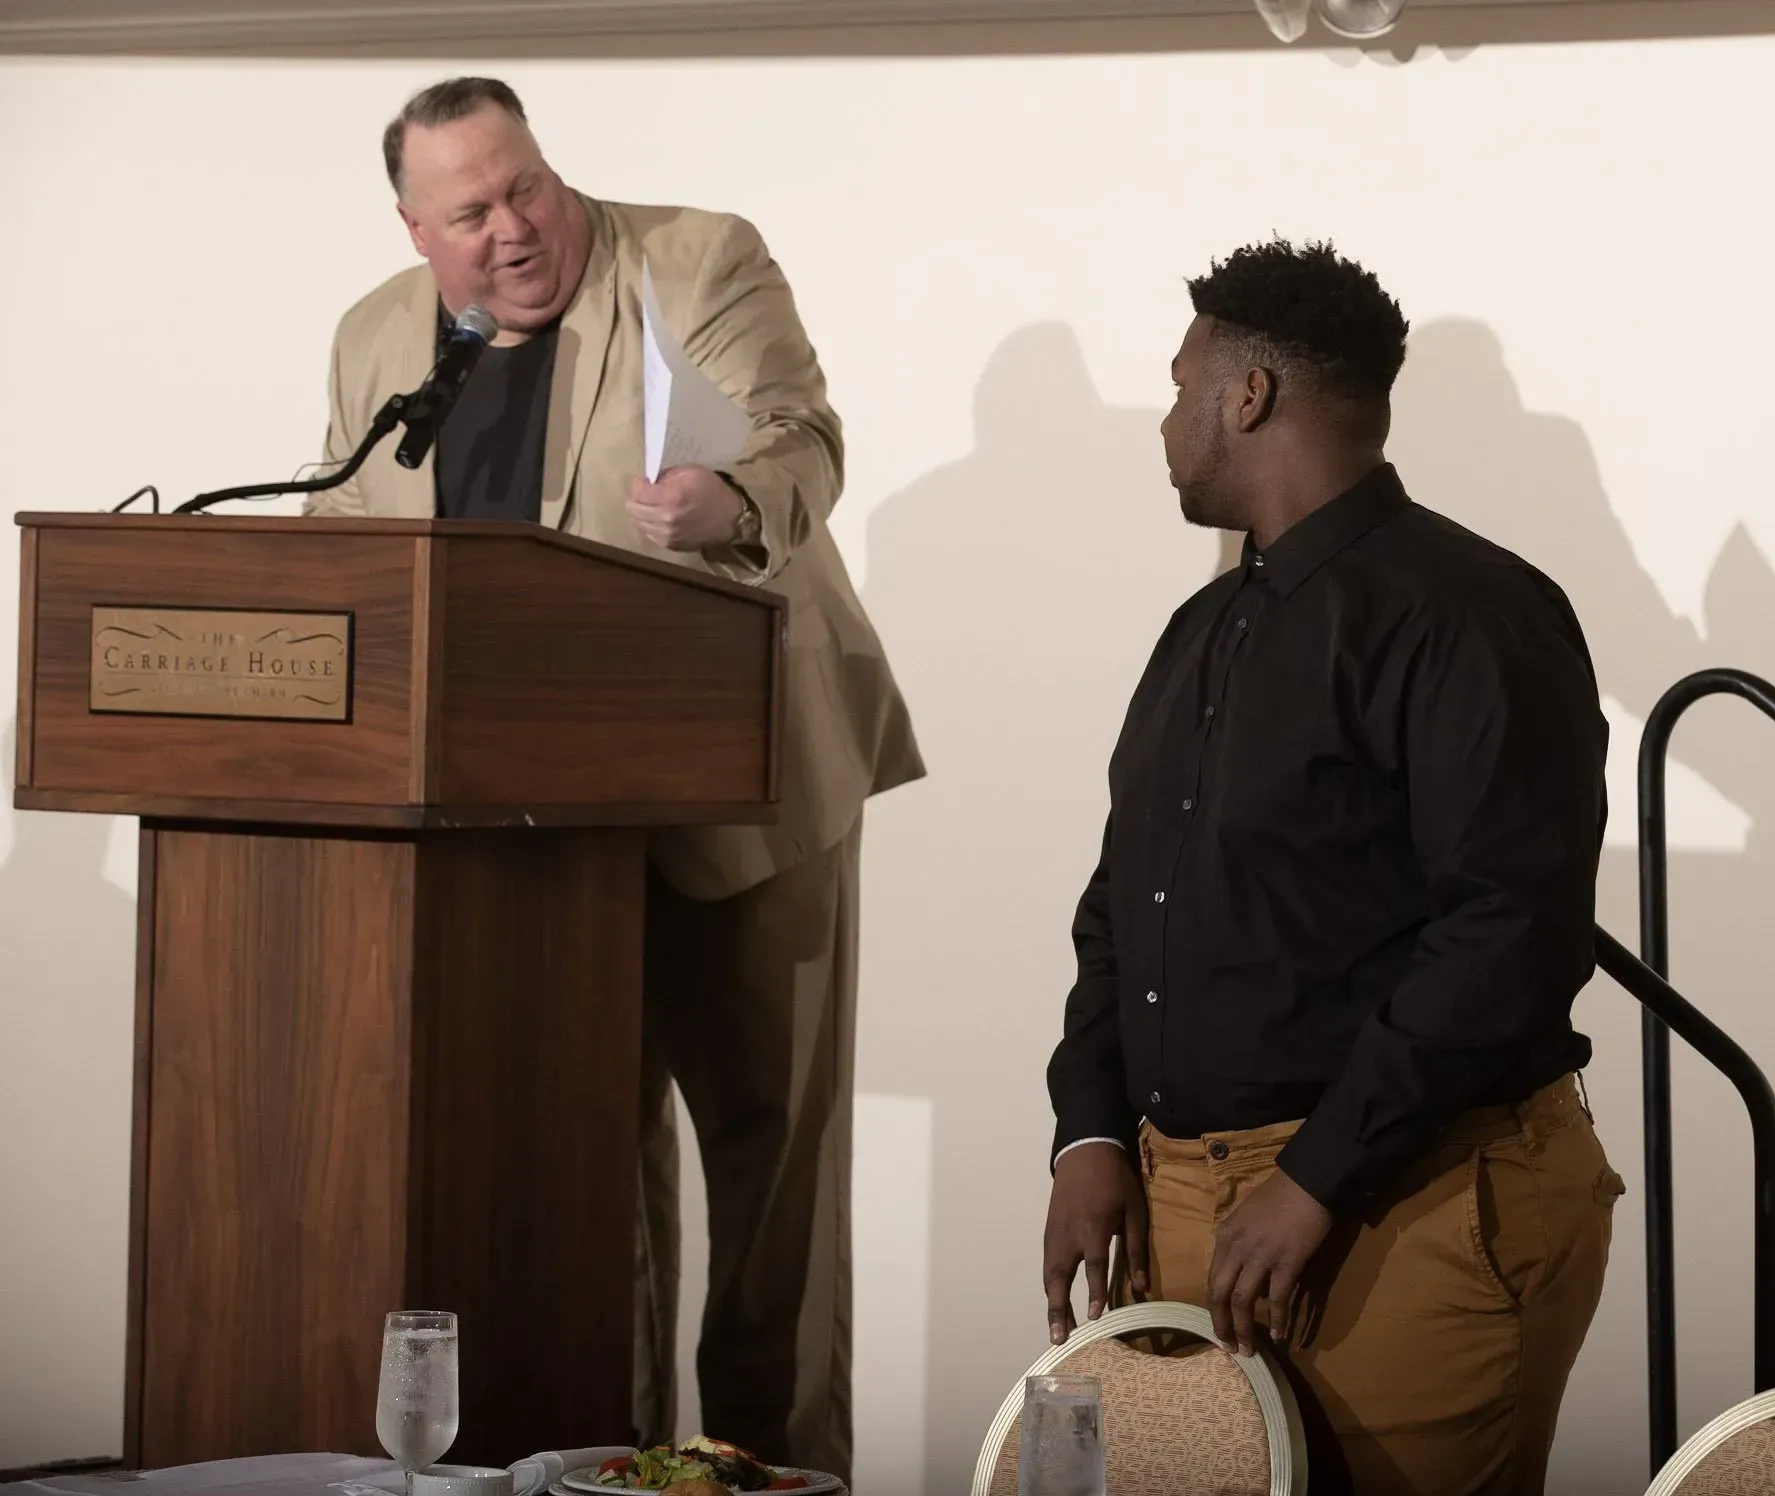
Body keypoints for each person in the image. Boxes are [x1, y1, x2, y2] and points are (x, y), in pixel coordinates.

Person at [305, 76, 923, 1481]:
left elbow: (801, 438)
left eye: (526, 184)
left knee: (773, 1194)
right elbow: (350, 545)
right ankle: (609, 1466)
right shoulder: (378, 341)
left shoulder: (692, 258)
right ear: (416, 228)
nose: (516, 227)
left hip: (744, 793)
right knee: (589, 1184)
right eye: (471, 211)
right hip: (520, 833)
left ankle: (774, 1473)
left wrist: (734, 500)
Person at [1040, 239, 1623, 1493]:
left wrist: (1313, 1178)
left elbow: (1507, 936)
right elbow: (1121, 907)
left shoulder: (1470, 613)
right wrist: (1087, 1129)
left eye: (1179, 381)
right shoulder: (1200, 630)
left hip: (1406, 1207)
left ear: (1246, 395)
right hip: (1183, 1212)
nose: (1164, 419)